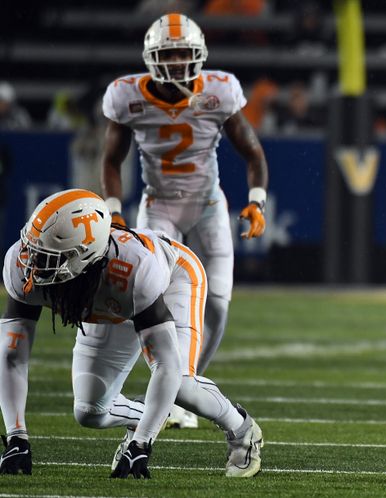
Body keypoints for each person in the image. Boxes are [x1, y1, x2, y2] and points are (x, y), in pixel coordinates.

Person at [0, 189, 262, 478]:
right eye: (33, 250)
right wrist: (16, 436)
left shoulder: (134, 272)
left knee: (182, 384)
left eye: (48, 258)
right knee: (90, 411)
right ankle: (144, 416)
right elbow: (12, 355)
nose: (32, 265)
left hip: (172, 278)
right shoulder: (21, 265)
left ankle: (242, 430)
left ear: (84, 258)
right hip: (103, 298)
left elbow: (166, 366)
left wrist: (142, 445)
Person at [100, 13, 269, 428]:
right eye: (168, 53)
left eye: (183, 53)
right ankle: (168, 383)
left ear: (199, 56)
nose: (176, 62)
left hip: (208, 206)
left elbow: (253, 153)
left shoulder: (219, 90)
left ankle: (184, 384)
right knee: (151, 300)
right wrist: (115, 210)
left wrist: (256, 202)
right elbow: (110, 159)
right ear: (151, 58)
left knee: (217, 308)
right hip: (157, 207)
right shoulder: (127, 96)